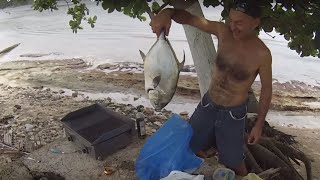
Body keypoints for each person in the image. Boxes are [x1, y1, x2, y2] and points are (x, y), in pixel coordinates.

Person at [149, 0, 272, 176]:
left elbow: (267, 90)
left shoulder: (262, 54)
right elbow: (190, 18)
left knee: (233, 161)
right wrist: (167, 13)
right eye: (231, 20)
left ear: (255, 23)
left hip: (233, 113)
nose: (233, 26)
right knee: (191, 144)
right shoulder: (223, 31)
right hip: (209, 104)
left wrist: (259, 125)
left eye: (239, 23)